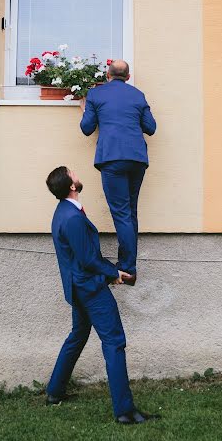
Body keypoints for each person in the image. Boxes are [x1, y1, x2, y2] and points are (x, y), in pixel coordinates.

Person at [45, 165, 159, 424]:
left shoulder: (63, 212)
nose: (76, 173)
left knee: (77, 337)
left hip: (79, 287)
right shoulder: (72, 218)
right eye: (73, 172)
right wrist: (114, 273)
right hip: (89, 288)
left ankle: (54, 392)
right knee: (115, 342)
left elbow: (80, 257)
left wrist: (108, 273)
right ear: (71, 186)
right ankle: (125, 411)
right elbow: (87, 258)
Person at [80, 60, 156, 285]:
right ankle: (128, 266)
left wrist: (85, 110)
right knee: (130, 212)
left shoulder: (95, 95)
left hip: (112, 158)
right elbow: (150, 128)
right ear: (128, 76)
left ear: (107, 74)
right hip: (137, 159)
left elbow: (86, 129)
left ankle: (127, 269)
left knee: (122, 213)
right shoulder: (138, 95)